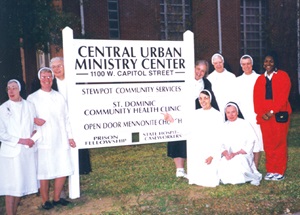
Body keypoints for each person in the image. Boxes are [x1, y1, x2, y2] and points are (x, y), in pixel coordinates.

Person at [27, 67, 76, 210]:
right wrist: (34, 120)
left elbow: (66, 118)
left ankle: (56, 198)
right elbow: (27, 117)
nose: (46, 79)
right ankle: (45, 200)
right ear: (39, 78)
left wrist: (70, 137)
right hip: (44, 139)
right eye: (43, 77)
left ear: (52, 78)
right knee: (44, 171)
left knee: (62, 167)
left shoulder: (59, 96)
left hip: (60, 138)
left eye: (49, 77)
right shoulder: (33, 98)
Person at [167, 60, 218, 178]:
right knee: (178, 137)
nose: (199, 73)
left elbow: (211, 99)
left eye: (203, 71)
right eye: (198, 69)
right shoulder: (181, 78)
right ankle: (179, 169)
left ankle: (195, 167)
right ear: (193, 67)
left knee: (196, 140)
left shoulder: (207, 83)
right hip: (181, 112)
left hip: (197, 114)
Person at [0, 79, 39, 215]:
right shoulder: (3, 108)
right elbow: (2, 134)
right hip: (11, 152)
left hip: (26, 153)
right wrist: (21, 140)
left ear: (20, 89)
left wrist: (34, 133)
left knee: (19, 186)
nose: (11, 91)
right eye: (9, 88)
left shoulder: (29, 105)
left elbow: (33, 125)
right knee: (11, 187)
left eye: (14, 88)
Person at [50, 57, 92, 175]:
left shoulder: (74, 80)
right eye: (53, 67)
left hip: (75, 119)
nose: (56, 69)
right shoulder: (51, 84)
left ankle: (79, 171)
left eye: (59, 66)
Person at [253, 52, 291, 181]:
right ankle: (271, 170)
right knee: (268, 144)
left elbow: (283, 97)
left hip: (279, 114)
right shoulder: (260, 79)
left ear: (275, 62)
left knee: (279, 142)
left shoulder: (283, 76)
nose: (268, 64)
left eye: (271, 61)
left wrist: (272, 111)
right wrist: (261, 113)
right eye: (265, 61)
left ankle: (279, 170)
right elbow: (256, 98)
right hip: (265, 116)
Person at [218, 102, 262, 186]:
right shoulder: (223, 126)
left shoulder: (245, 124)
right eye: (228, 112)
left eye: (233, 112)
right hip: (229, 155)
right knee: (224, 162)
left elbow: (250, 142)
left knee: (237, 162)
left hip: (243, 154)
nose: (231, 115)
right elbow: (220, 143)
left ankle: (244, 177)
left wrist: (236, 153)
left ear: (237, 112)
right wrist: (226, 153)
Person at [187, 89, 223, 187]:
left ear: (210, 99)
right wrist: (172, 120)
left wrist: (212, 155)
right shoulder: (196, 113)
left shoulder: (217, 115)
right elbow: (187, 129)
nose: (203, 101)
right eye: (200, 98)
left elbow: (219, 137)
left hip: (212, 151)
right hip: (198, 150)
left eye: (205, 98)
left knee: (209, 179)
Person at [235, 55, 263, 169]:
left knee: (257, 140)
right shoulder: (237, 80)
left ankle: (255, 167)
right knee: (245, 141)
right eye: (243, 64)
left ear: (252, 64)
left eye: (248, 64)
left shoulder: (259, 78)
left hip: (256, 115)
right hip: (243, 116)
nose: (246, 66)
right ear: (241, 66)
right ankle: (245, 167)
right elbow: (236, 99)